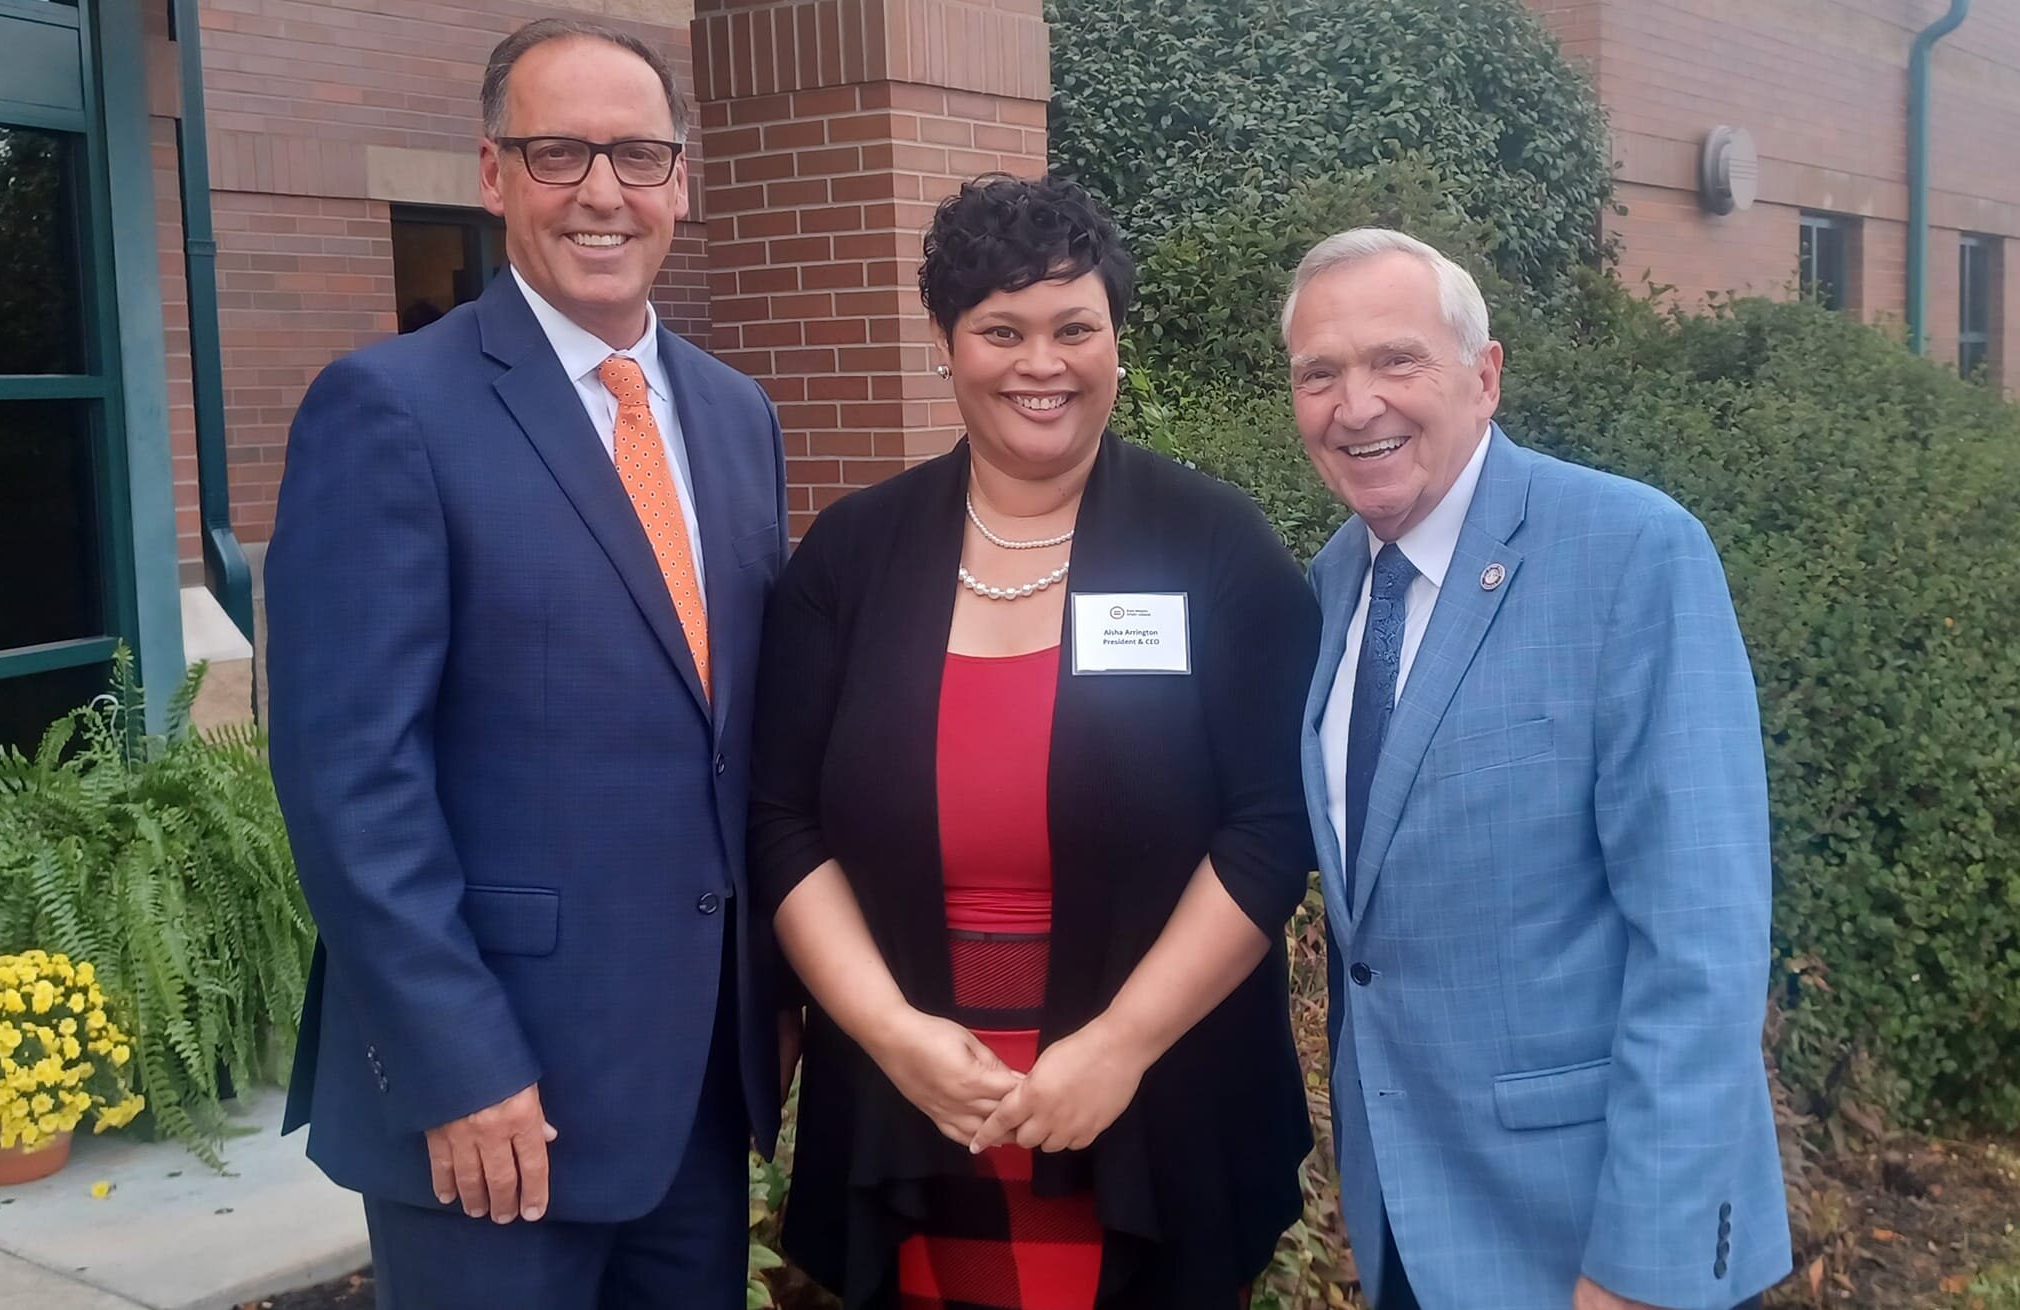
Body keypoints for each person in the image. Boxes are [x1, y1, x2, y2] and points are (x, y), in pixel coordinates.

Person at [266, 19, 788, 1308]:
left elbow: (736, 737)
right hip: (496, 1113)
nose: (602, 191)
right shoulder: (387, 408)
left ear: (681, 178)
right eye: (560, 153)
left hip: (692, 1101)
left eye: (637, 154)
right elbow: (350, 778)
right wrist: (457, 1064)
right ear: (493, 174)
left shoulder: (734, 415)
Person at [749, 174, 1318, 1310]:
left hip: (1148, 1098)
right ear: (944, 344)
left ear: (1116, 338)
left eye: (1074, 327)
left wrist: (1117, 1044)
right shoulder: (853, 557)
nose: (1039, 364)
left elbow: (1269, 823)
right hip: (918, 1096)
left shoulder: (1213, 544)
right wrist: (890, 1032)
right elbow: (779, 817)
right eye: (999, 329)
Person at [1286, 227, 1791, 1310]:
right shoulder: (1334, 583)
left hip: (1592, 1239)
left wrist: (1641, 1266)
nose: (1353, 402)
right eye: (1318, 373)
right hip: (1412, 1224)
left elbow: (1698, 936)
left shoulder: (1629, 551)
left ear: (1483, 373)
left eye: (1393, 360)